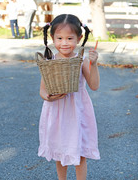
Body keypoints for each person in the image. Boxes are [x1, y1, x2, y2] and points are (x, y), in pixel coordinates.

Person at [38, 14, 100, 180]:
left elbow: (94, 85)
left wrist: (93, 65)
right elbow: (43, 90)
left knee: (79, 152)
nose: (64, 43)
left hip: (77, 111)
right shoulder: (49, 61)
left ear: (79, 38)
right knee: (60, 152)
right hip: (57, 110)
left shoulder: (81, 60)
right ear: (52, 38)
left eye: (69, 38)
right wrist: (49, 97)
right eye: (59, 38)